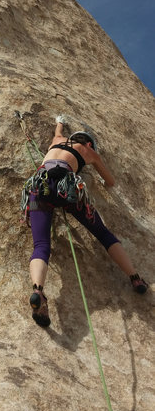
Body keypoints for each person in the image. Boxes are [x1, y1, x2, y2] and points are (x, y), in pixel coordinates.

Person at [29, 115, 148, 328]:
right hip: (68, 188)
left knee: (41, 245)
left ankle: (38, 289)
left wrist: (60, 121)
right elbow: (110, 181)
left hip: (41, 185)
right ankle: (135, 277)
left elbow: (57, 132)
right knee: (103, 234)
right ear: (89, 143)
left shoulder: (57, 142)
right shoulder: (89, 151)